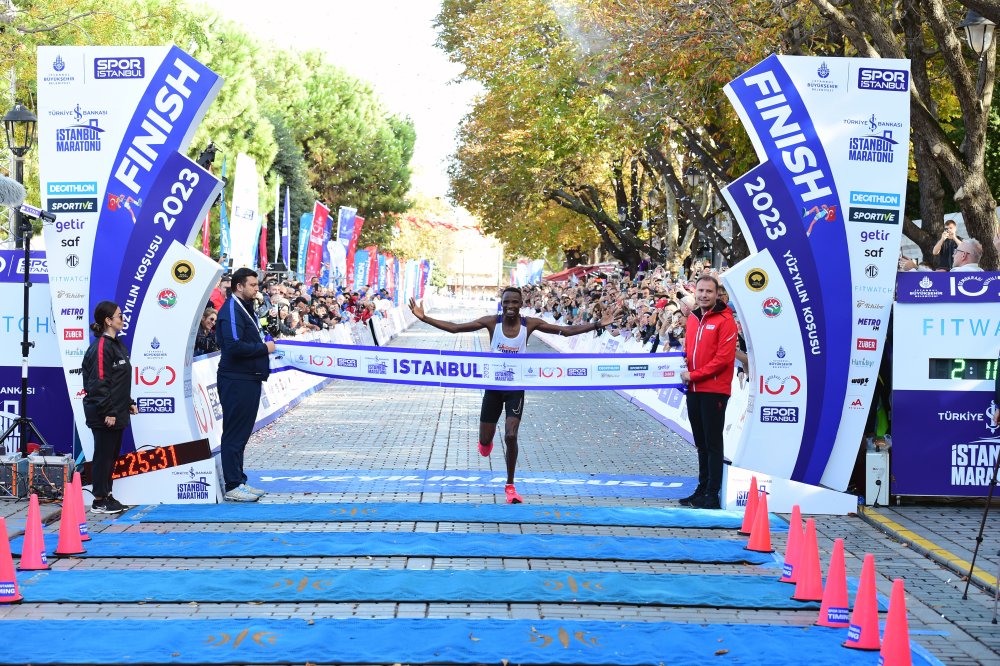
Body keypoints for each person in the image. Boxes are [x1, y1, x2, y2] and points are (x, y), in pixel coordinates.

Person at [409, 287, 618, 504]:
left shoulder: (530, 324)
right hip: (493, 389)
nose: (510, 306)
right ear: (501, 303)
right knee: (484, 441)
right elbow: (455, 328)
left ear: (521, 303)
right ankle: (485, 443)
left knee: (510, 435)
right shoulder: (492, 322)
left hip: (515, 389)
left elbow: (564, 331)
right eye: (506, 302)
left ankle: (510, 486)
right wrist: (424, 318)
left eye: (515, 302)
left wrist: (597, 324)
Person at [216, 267, 276, 502]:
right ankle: (232, 484)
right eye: (252, 285)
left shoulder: (246, 308)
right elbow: (232, 346)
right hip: (236, 379)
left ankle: (239, 479)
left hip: (249, 377)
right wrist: (264, 348)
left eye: (257, 285)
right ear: (239, 286)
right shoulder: (231, 309)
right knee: (234, 433)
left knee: (241, 433)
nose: (256, 289)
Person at [679, 275, 738, 510]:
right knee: (701, 443)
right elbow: (689, 350)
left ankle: (712, 494)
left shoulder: (726, 321)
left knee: (713, 444)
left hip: (714, 390)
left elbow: (723, 359)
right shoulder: (693, 318)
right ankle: (702, 489)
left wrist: (694, 375)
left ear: (717, 295)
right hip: (693, 389)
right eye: (700, 291)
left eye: (709, 292)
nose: (704, 295)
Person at [81, 301, 137, 514]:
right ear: (108, 321)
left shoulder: (118, 345)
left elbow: (119, 382)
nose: (122, 319)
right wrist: (108, 412)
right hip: (105, 414)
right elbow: (98, 383)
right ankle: (99, 500)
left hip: (117, 412)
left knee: (111, 456)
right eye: (119, 316)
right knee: (103, 457)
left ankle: (107, 495)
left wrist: (129, 402)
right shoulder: (102, 347)